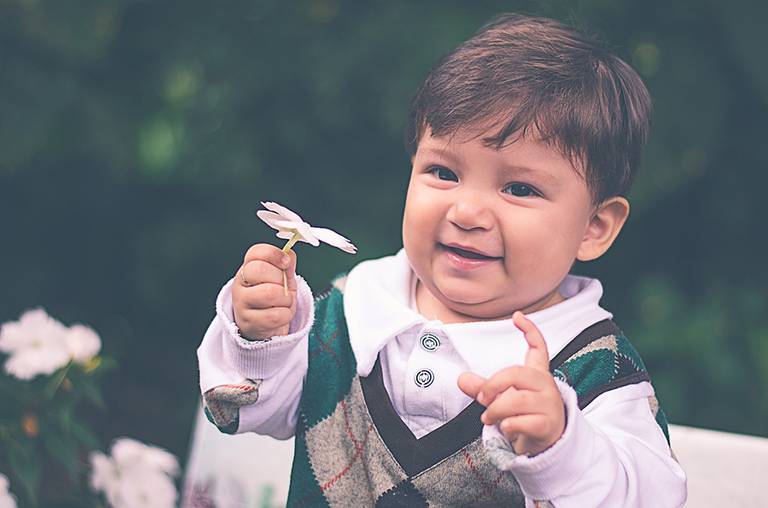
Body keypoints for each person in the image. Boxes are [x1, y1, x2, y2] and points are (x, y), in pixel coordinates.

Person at [197, 12, 687, 507]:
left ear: (593, 227)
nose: (468, 211)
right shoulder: (356, 310)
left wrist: (563, 447)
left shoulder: (593, 366)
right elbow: (245, 410)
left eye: (519, 188)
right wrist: (260, 339)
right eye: (443, 172)